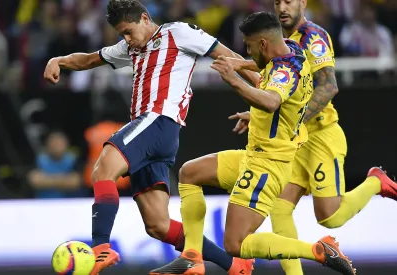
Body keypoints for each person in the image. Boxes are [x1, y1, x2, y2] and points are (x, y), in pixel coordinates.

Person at [43, 1, 259, 274]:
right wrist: (58, 60)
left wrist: (263, 85)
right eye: (122, 34)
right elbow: (88, 59)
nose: (126, 39)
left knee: (102, 170)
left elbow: (227, 56)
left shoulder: (178, 32)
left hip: (158, 120)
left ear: (145, 18)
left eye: (128, 31)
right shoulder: (130, 46)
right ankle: (234, 265)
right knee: (158, 225)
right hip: (154, 136)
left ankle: (99, 249)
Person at [150, 11, 356, 275]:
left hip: (267, 166)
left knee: (234, 244)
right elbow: (266, 70)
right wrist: (243, 66)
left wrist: (233, 78)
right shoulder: (292, 50)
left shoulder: (284, 72)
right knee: (190, 172)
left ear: (263, 44)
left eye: (249, 47)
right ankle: (192, 256)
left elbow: (271, 100)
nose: (246, 52)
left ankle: (317, 251)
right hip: (254, 155)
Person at [227, 1, 397, 274]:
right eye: (278, 1)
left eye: (289, 1)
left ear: (303, 3)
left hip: (320, 135)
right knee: (280, 208)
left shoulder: (312, 36)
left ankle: (375, 182)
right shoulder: (280, 40)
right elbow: (280, 84)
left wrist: (290, 121)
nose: (283, 7)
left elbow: (329, 86)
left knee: (330, 218)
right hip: (297, 139)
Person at [28, 131, 86, 198]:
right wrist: (64, 180)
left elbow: (75, 182)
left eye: (59, 143)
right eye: (54, 143)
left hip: (69, 203)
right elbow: (35, 181)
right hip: (43, 202)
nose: (56, 146)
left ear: (66, 144)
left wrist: (46, 180)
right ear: (47, 144)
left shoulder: (74, 159)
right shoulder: (40, 159)